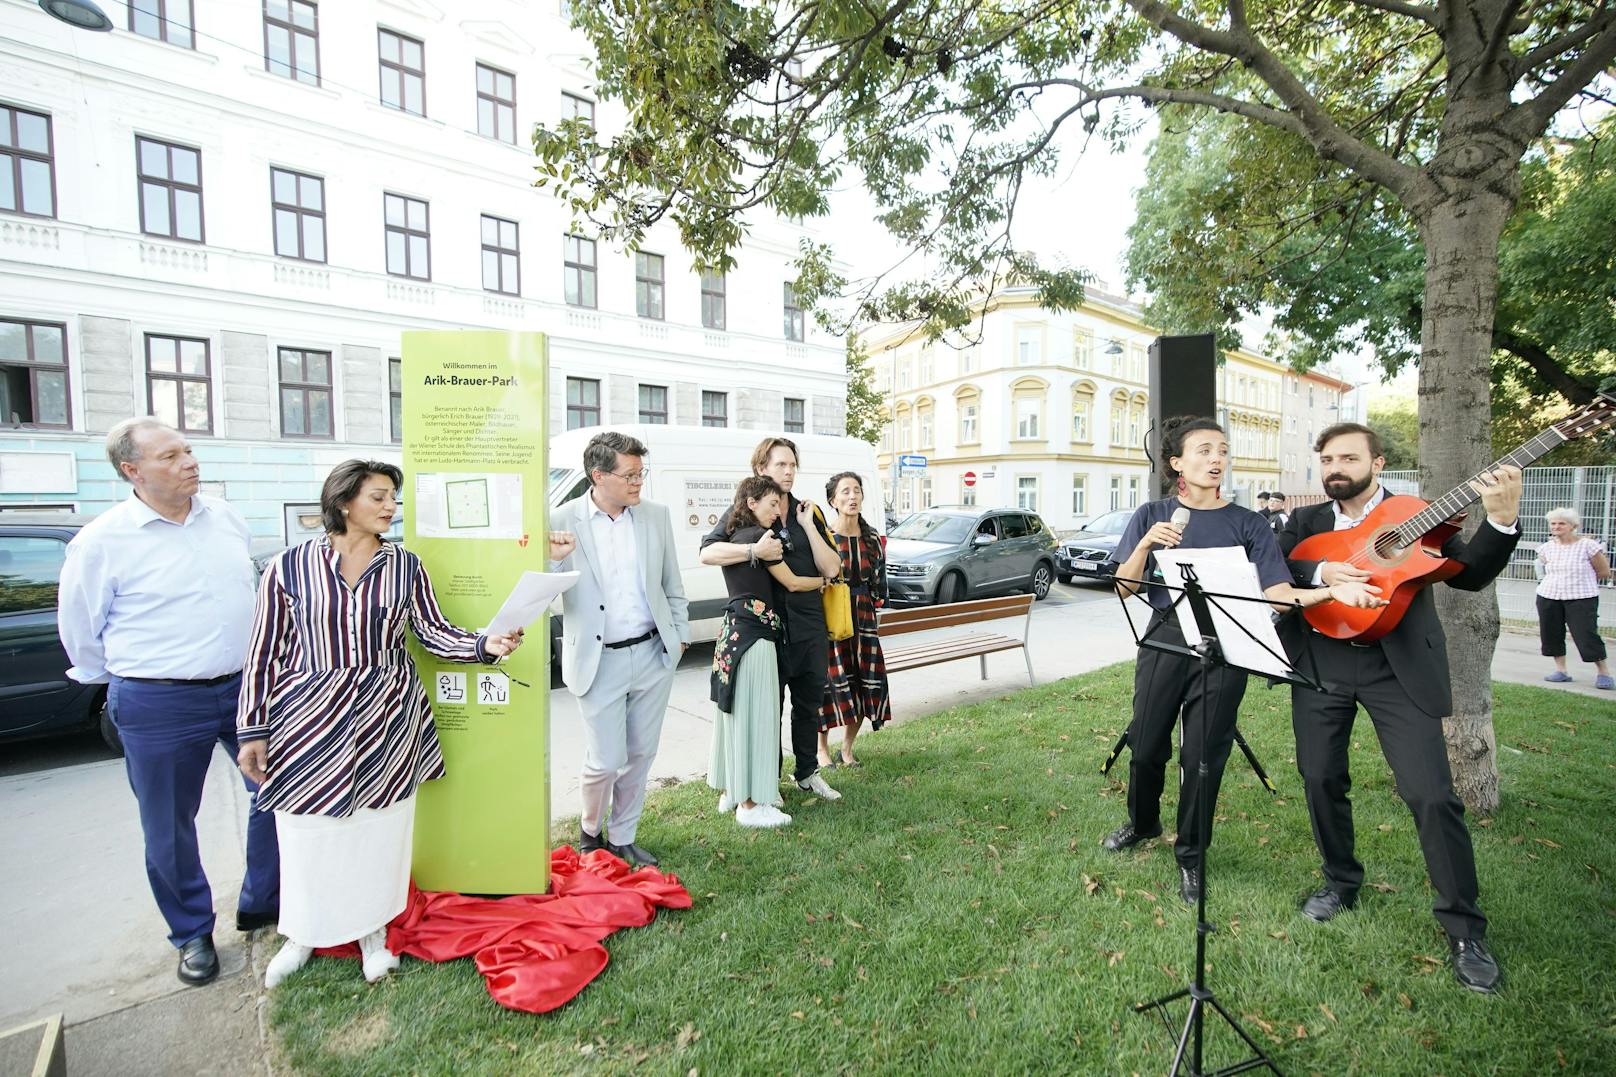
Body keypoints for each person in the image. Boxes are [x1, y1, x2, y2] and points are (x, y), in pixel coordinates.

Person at [236, 460, 522, 988]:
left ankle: (373, 934)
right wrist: (251, 728)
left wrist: (485, 645)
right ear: (344, 502)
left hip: (388, 713)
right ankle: (301, 933)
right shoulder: (287, 568)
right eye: (379, 497)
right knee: (307, 834)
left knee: (380, 832)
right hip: (308, 718)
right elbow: (263, 651)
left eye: (393, 497)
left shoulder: (405, 566)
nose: (391, 507)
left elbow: (434, 632)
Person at [1276, 422, 1522, 994]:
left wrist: (1503, 522)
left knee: (1431, 793)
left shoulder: (1421, 515)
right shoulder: (1306, 522)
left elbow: (1470, 575)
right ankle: (1340, 881)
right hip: (1322, 661)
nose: (1335, 467)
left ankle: (1464, 929)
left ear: (1378, 463)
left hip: (1397, 666)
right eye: (1327, 458)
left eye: (1348, 457)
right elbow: (1280, 568)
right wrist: (1323, 573)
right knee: (1319, 777)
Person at [1103, 417, 1382, 905]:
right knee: (1146, 746)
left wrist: (1328, 591)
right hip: (1166, 641)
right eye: (1205, 450)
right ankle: (1142, 822)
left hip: (1227, 647)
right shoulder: (1152, 514)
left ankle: (1192, 855)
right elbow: (1125, 588)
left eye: (1223, 450)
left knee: (1203, 758)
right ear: (1177, 464)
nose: (1217, 459)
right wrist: (1146, 545)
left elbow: (1276, 598)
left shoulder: (1249, 523)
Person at [56, 417, 280, 987]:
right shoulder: (102, 541)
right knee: (169, 825)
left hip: (244, 689)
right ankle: (191, 933)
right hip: (157, 702)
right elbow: (81, 633)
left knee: (276, 793)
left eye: (188, 450)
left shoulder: (224, 518)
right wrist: (137, 679)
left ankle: (262, 903)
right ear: (132, 471)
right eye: (170, 456)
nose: (189, 462)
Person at [548, 431, 690, 867]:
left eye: (640, 473)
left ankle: (624, 836)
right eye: (629, 474)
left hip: (652, 655)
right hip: (597, 658)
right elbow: (537, 584)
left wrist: (680, 637)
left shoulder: (654, 516)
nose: (638, 482)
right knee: (605, 760)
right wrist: (552, 559)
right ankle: (591, 832)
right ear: (598, 476)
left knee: (641, 755)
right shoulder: (559, 518)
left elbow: (671, 584)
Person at [701, 437, 845, 802]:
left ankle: (808, 773)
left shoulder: (807, 511)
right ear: (761, 468)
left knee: (809, 703)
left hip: (809, 624)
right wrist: (752, 549)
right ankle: (767, 780)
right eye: (781, 465)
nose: (789, 472)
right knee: (768, 708)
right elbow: (708, 551)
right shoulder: (744, 513)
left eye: (793, 465)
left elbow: (833, 568)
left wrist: (808, 526)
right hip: (769, 628)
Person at [817, 471, 890, 769]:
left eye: (857, 490)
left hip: (863, 618)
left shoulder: (871, 537)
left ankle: (847, 749)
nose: (852, 496)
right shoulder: (825, 538)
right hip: (832, 616)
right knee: (829, 684)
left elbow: (880, 585)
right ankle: (821, 750)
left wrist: (873, 608)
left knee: (864, 683)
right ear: (833, 500)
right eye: (845, 491)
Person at [1534, 507, 1612, 688]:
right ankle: (1561, 670)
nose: (1556, 526)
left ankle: (1603, 672)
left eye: (1562, 523)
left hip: (1581, 597)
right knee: (1551, 633)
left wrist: (1579, 581)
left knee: (1586, 634)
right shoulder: (1546, 548)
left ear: (1573, 526)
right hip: (1549, 595)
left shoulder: (1588, 546)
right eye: (1553, 523)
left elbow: (1604, 571)